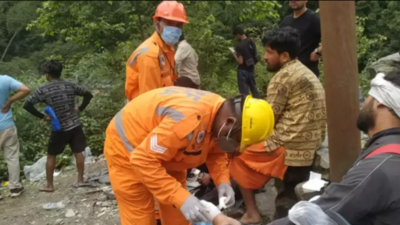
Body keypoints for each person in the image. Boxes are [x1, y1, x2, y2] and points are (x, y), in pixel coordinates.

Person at [103, 86, 275, 225]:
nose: (236, 148)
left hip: (171, 155)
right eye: (237, 141)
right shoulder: (187, 121)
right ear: (229, 123)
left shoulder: (220, 115)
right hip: (128, 151)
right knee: (140, 217)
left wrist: (222, 181)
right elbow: (142, 160)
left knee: (178, 214)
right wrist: (182, 198)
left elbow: (215, 151)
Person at [229, 27, 327, 224]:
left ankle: (252, 213)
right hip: (311, 143)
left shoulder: (281, 79)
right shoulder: (303, 70)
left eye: (269, 52)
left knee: (236, 154)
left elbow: (266, 120)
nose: (264, 57)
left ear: (284, 56)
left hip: (289, 148)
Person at [23, 60, 93, 192]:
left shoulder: (43, 89)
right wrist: (80, 109)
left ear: (48, 74)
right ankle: (80, 180)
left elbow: (27, 105)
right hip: (75, 124)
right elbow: (88, 95)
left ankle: (49, 185)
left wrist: (43, 116)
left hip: (59, 127)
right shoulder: (69, 85)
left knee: (51, 155)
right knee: (78, 152)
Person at [125, 1, 188, 102]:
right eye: (169, 23)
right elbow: (149, 103)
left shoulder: (167, 50)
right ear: (156, 24)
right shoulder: (150, 55)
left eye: (179, 25)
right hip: (143, 113)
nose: (174, 29)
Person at [0, 75, 30, 198]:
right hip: (6, 125)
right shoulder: (4, 80)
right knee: (11, 157)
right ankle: (15, 188)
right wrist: (10, 100)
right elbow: (26, 90)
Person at [279, 0, 322, 77]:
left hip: (308, 74)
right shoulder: (285, 21)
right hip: (287, 74)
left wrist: (318, 51)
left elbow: (330, 39)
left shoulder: (314, 19)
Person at [232, 26, 260, 98]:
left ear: (238, 35)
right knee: (254, 89)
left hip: (242, 71)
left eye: (235, 36)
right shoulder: (251, 41)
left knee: (244, 93)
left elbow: (240, 61)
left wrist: (235, 55)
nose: (236, 38)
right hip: (251, 69)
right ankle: (259, 104)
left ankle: (246, 107)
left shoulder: (239, 45)